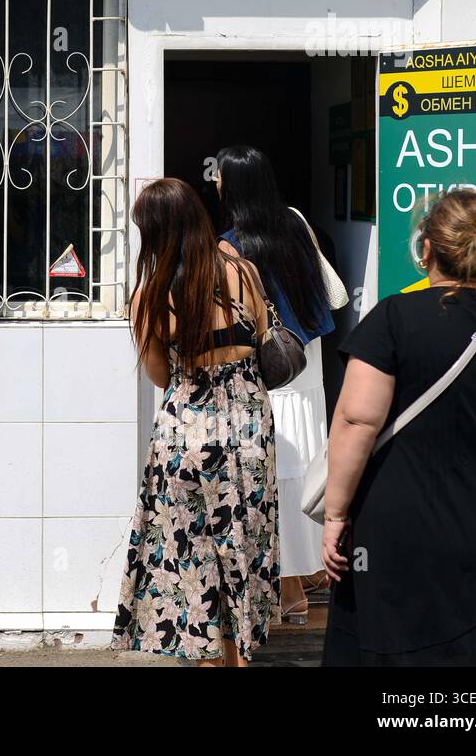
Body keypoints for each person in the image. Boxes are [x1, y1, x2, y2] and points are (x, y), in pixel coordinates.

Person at [322, 189, 476, 665]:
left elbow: (356, 420)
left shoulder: (391, 319)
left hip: (396, 528)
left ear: (426, 249)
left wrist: (335, 515)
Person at [113, 177, 278, 667]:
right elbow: (266, 338)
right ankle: (240, 655)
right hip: (247, 426)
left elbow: (160, 374)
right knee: (243, 543)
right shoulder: (243, 270)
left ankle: (204, 657)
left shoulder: (151, 294)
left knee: (191, 552)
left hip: (187, 429)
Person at [215, 145, 339, 624]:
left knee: (280, 472)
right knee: (308, 463)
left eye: (221, 177)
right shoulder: (295, 223)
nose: (216, 184)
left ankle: (289, 587)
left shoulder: (229, 245)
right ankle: (311, 570)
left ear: (237, 186)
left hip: (270, 366)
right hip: (307, 360)